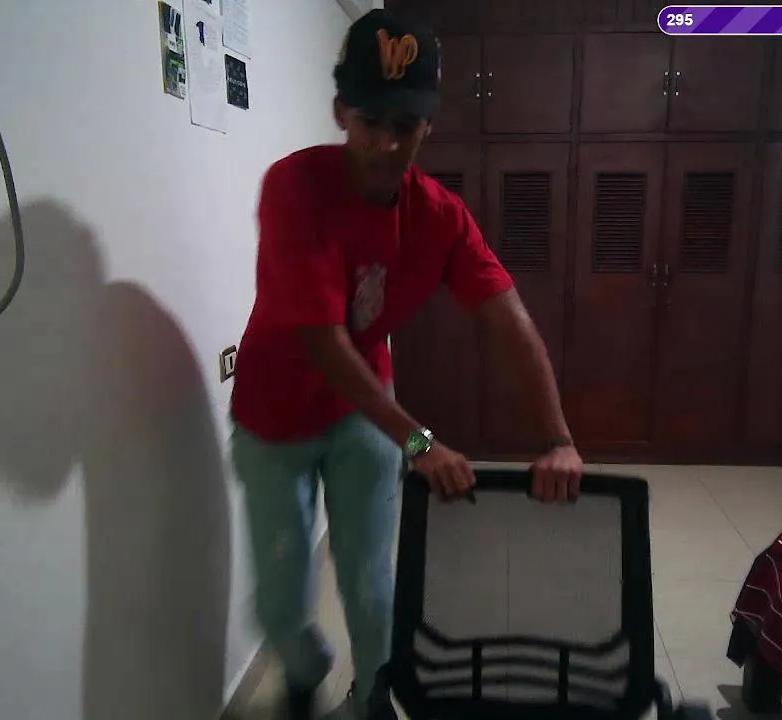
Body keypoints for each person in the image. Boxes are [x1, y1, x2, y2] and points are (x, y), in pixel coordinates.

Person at [229, 8, 584, 719]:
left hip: (363, 413)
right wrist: (420, 443)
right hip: (272, 417)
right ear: (340, 111)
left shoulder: (440, 216)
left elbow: (509, 323)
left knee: (370, 581)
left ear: (429, 126)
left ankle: (374, 697)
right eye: (370, 121)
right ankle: (306, 666)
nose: (386, 144)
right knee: (278, 602)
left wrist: (559, 438)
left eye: (405, 125)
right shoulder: (294, 187)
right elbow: (323, 341)